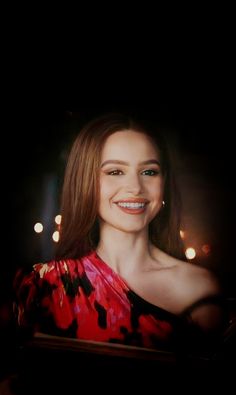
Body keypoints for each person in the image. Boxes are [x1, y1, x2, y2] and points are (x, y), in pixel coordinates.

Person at [13, 112, 226, 353]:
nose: (135, 187)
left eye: (149, 172)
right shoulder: (46, 288)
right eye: (115, 172)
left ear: (164, 183)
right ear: (86, 182)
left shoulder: (197, 287)